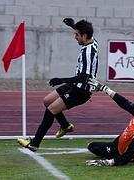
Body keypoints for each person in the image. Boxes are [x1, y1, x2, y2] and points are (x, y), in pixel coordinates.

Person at [17, 18, 99, 152]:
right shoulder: (91, 40)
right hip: (75, 86)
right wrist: (73, 25)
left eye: (77, 35)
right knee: (47, 101)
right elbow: (86, 32)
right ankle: (65, 126)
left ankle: (35, 143)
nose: (75, 37)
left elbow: (84, 78)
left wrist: (61, 80)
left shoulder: (88, 53)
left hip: (81, 91)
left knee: (51, 110)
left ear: (84, 36)